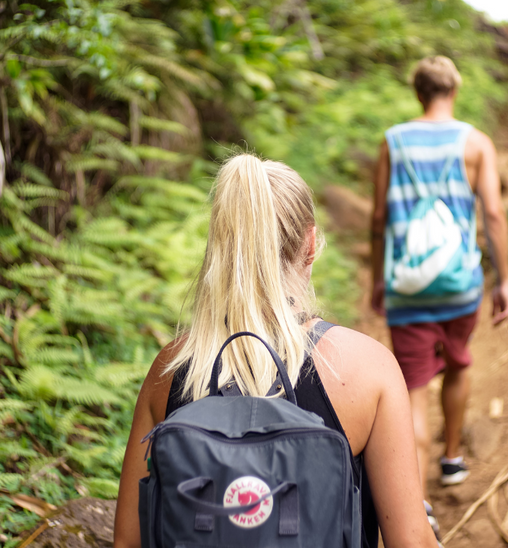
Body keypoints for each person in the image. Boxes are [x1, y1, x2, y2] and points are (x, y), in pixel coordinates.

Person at [114, 154, 439, 548]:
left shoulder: (170, 371)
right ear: (310, 244)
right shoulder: (367, 368)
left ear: (220, 245)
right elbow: (410, 542)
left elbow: (129, 542)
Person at [371, 56, 508, 525]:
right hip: (460, 286)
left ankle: (418, 504)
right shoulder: (476, 143)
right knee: (457, 364)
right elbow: (493, 214)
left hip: (407, 287)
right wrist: (504, 279)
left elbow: (378, 220)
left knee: (413, 390)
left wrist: (378, 277)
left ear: (418, 92)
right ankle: (451, 460)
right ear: (454, 90)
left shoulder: (392, 141)